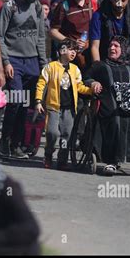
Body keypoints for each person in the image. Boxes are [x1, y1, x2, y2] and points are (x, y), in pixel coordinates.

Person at [85, 36, 130, 177]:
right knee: (115, 120)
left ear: (124, 49)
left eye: (116, 46)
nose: (111, 48)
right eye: (110, 46)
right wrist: (93, 83)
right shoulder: (100, 66)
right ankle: (111, 162)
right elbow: (86, 78)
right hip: (110, 103)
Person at [0, 0, 47, 159]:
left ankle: (16, 145)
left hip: (32, 63)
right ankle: (4, 141)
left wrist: (43, 65)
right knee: (15, 101)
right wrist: (6, 62)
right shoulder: (10, 6)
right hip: (14, 61)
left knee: (26, 105)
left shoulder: (39, 7)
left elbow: (41, 38)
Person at [35, 40, 92, 170]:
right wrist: (38, 101)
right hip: (53, 107)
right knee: (52, 133)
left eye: (75, 50)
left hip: (69, 109)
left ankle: (62, 159)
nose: (74, 52)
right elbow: (41, 84)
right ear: (62, 51)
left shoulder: (75, 69)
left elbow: (79, 86)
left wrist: (91, 90)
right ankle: (48, 153)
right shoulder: (50, 67)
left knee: (67, 135)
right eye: (71, 49)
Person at [50, 0, 99, 71]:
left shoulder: (93, 2)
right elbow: (53, 31)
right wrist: (71, 42)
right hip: (71, 57)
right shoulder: (64, 6)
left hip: (91, 53)